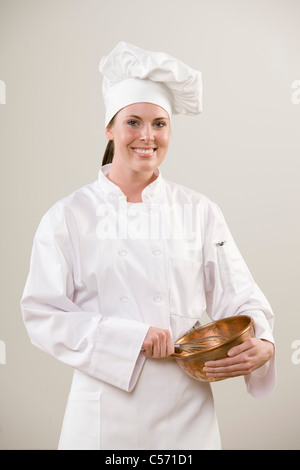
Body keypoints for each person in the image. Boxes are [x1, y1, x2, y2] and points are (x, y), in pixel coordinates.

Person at [21, 42, 275, 450]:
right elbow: (41, 313)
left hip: (187, 411)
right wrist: (130, 337)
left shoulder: (199, 210)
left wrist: (262, 342)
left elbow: (241, 297)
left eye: (159, 124)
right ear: (110, 128)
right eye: (133, 122)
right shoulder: (68, 216)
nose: (147, 136)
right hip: (105, 414)